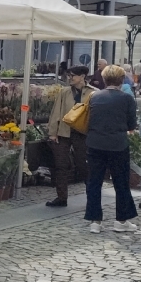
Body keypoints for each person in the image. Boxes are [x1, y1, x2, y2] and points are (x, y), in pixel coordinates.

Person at [84, 64, 139, 233]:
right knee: (121, 182)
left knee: (94, 182)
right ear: (122, 80)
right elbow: (131, 125)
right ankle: (121, 221)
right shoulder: (127, 98)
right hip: (117, 145)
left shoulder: (93, 97)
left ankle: (95, 221)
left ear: (104, 79)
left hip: (95, 143)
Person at [46, 66, 96, 207]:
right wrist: (52, 132)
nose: (70, 78)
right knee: (61, 165)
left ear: (82, 76)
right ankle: (61, 197)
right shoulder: (64, 92)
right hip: (64, 132)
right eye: (69, 75)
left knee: (84, 166)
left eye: (73, 75)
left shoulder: (93, 93)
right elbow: (56, 112)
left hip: (82, 134)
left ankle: (91, 197)